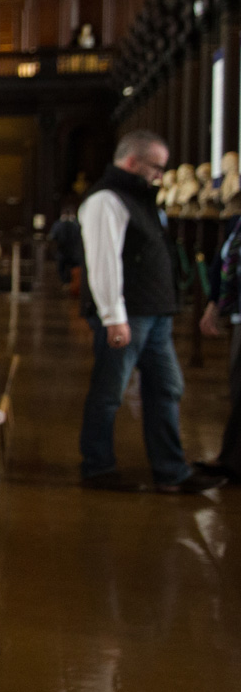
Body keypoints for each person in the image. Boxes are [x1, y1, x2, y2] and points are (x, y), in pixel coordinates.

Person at [78, 130, 221, 494]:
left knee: (167, 387)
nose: (160, 175)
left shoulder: (140, 198)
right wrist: (113, 316)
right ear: (131, 162)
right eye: (155, 167)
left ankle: (171, 472)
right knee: (109, 392)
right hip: (127, 315)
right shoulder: (106, 200)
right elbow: (104, 262)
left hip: (154, 313)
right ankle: (97, 468)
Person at [196, 212, 241, 483]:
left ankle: (231, 460)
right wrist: (214, 305)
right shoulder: (237, 222)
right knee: (238, 390)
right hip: (238, 315)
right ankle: (232, 460)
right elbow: (224, 263)